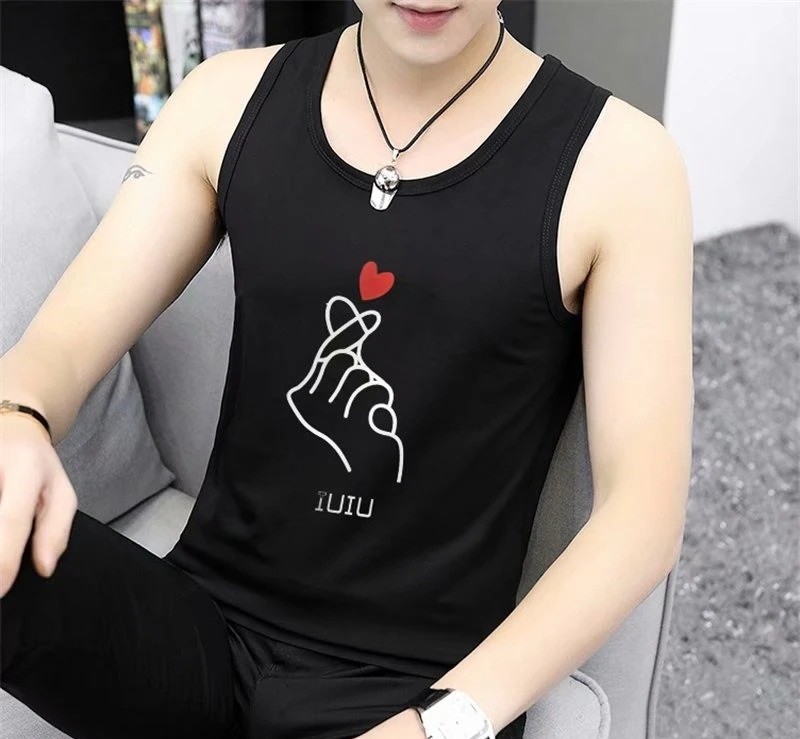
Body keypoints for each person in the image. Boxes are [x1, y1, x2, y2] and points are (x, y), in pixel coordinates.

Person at [0, 2, 694, 738]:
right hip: (199, 632)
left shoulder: (622, 165)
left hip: (408, 688)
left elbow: (642, 516)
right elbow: (62, 346)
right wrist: (18, 416)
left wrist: (444, 723)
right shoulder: (224, 99)